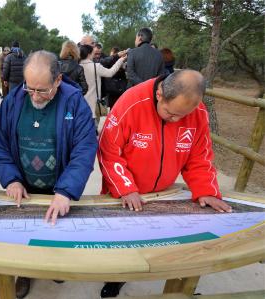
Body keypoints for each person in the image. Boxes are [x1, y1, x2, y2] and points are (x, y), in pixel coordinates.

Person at [97, 70, 232, 297]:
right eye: (171, 113)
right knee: (121, 238)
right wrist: (125, 188)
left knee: (158, 239)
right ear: (160, 94)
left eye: (183, 115)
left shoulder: (197, 112)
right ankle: (116, 275)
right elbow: (109, 151)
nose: (176, 120)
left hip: (162, 192)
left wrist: (206, 191)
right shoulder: (131, 102)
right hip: (124, 189)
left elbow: (200, 156)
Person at [0, 50, 97, 299]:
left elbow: (85, 148)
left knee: (57, 228)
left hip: (58, 185)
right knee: (26, 234)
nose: (35, 96)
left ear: (57, 80)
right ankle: (25, 271)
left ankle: (56, 265)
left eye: (42, 90)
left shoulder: (74, 102)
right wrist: (11, 178)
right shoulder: (14, 100)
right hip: (25, 185)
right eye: (30, 88)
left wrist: (66, 190)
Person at [79, 44, 126, 129]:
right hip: (93, 107)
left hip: (79, 106)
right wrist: (121, 60)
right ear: (89, 54)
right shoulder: (95, 66)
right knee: (93, 130)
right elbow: (110, 72)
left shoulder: (78, 66)